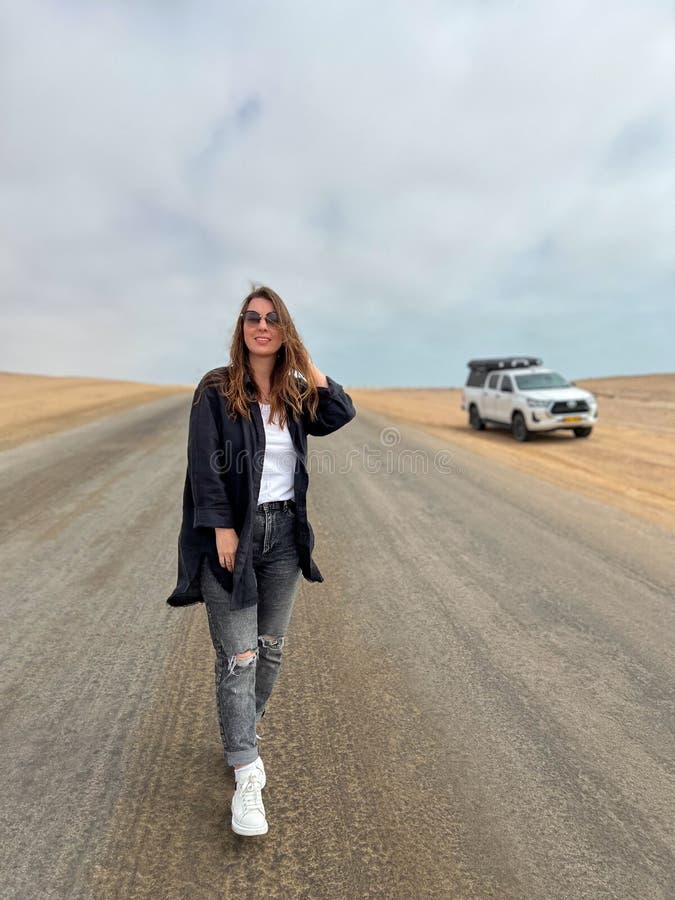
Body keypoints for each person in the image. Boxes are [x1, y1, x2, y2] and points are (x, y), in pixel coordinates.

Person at [166, 285, 356, 837]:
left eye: (273, 320)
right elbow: (204, 466)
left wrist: (304, 359)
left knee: (269, 650)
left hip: (285, 537)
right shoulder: (216, 389)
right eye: (253, 318)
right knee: (240, 656)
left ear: (284, 329)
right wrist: (223, 529)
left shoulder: (297, 394)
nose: (262, 326)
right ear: (240, 327)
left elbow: (340, 411)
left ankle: (241, 731)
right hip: (236, 537)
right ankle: (248, 774)